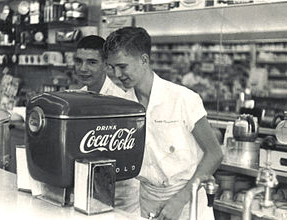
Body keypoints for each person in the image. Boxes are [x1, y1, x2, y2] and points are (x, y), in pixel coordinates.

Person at [103, 27, 223, 220]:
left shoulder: (182, 98)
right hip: (148, 199)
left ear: (144, 60)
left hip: (187, 200)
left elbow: (215, 154)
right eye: (112, 67)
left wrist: (180, 200)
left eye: (122, 66)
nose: (117, 74)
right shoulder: (123, 105)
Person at [72, 35, 140, 214]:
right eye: (79, 61)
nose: (83, 69)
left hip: (120, 199)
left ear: (106, 65)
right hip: (86, 193)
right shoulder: (76, 100)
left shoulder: (122, 102)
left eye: (92, 62)